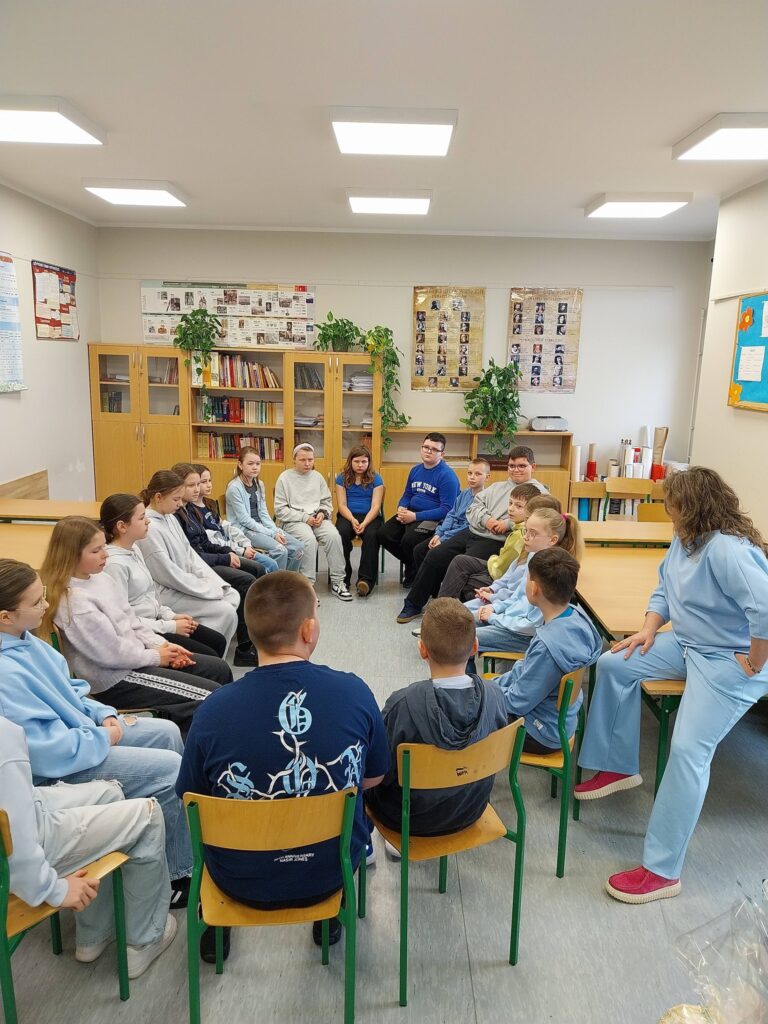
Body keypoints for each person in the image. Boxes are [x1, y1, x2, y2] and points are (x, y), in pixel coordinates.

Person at [574, 468, 768, 904]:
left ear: (692, 506)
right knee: (615, 663)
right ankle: (618, 764)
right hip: (686, 643)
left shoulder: (727, 550)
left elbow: (766, 608)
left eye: (671, 503)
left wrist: (756, 661)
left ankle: (662, 870)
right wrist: (647, 630)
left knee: (687, 751)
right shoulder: (686, 540)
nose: (666, 509)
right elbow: (664, 588)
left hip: (728, 659)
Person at [176, 572, 389, 961]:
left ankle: (216, 924)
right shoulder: (354, 692)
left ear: (250, 631)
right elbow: (373, 777)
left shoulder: (212, 710)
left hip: (237, 876)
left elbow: (191, 800)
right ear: (309, 630)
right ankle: (329, 915)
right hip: (330, 871)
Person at [0, 559, 192, 905]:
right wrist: (102, 737)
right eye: (37, 601)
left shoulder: (28, 641)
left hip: (84, 736)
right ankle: (176, 874)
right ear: (5, 616)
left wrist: (103, 714)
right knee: (168, 770)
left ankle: (176, 846)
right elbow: (44, 752)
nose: (47, 604)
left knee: (165, 732)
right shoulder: (6, 675)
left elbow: (72, 691)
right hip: (58, 767)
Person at [0, 715, 176, 978]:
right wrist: (55, 890)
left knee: (110, 792)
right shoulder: (4, 737)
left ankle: (95, 933)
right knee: (149, 817)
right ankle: (145, 940)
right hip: (24, 849)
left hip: (30, 808)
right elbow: (18, 846)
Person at [40, 517, 227, 733]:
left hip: (136, 659)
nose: (105, 554)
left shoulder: (101, 579)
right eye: (96, 550)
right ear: (71, 555)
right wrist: (157, 657)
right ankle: (193, 746)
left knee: (218, 669)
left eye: (104, 547)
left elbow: (132, 621)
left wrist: (162, 646)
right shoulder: (75, 602)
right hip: (115, 679)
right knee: (211, 698)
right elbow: (111, 654)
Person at [366, 598, 507, 841]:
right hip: (470, 808)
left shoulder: (402, 704)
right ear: (475, 647)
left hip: (407, 818)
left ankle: (375, 845)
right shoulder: (495, 695)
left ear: (422, 649)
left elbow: (379, 770)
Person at [394, 447, 550, 613]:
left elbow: (539, 520)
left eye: (522, 466)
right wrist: (486, 520)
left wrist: (508, 524)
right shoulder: (497, 487)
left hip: (495, 540)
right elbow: (473, 507)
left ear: (533, 467)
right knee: (433, 555)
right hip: (472, 531)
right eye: (512, 466)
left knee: (459, 565)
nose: (516, 470)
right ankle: (413, 604)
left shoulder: (540, 493)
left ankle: (446, 610)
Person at [492, 549, 601, 753]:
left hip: (540, 731)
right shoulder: (576, 616)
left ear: (534, 588)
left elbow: (517, 702)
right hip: (559, 719)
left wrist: (486, 697)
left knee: (465, 717)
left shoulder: (547, 647)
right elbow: (526, 672)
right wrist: (493, 686)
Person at [101, 493, 230, 660]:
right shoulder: (114, 565)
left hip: (158, 620)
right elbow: (124, 619)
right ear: (122, 526)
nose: (148, 521)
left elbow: (152, 595)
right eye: (141, 518)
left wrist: (170, 615)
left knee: (217, 641)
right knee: (210, 656)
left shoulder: (134, 549)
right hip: (144, 632)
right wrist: (170, 626)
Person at [468, 508, 584, 670]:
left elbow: (530, 626)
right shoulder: (533, 556)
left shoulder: (551, 572)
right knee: (460, 623)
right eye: (526, 531)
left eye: (533, 533)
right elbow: (518, 596)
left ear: (552, 539)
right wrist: (496, 608)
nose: (526, 537)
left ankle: (469, 685)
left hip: (523, 635)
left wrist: (494, 617)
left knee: (460, 639)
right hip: (511, 621)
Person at [136, 470, 240, 648]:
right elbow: (169, 574)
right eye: (176, 499)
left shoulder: (170, 518)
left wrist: (212, 583)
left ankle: (209, 647)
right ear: (158, 497)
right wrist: (205, 590)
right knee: (225, 611)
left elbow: (191, 556)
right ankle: (205, 651)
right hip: (169, 592)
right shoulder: (150, 528)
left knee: (232, 595)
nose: (180, 504)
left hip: (187, 583)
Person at [172, 463, 261, 666]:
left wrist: (227, 551)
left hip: (208, 559)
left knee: (257, 568)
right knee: (246, 580)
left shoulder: (190, 510)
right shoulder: (177, 515)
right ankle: (244, 647)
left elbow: (205, 542)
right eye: (192, 485)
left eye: (198, 484)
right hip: (200, 567)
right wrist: (224, 558)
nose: (197, 489)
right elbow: (194, 556)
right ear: (178, 487)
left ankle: (256, 630)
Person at [396, 458, 491, 623]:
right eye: (470, 473)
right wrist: (439, 534)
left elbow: (469, 525)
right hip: (447, 532)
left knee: (432, 554)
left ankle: (414, 603)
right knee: (419, 550)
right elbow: (451, 515)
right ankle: (432, 590)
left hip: (464, 535)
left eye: (478, 474)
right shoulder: (464, 494)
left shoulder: (486, 499)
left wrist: (445, 538)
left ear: (487, 477)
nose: (472, 477)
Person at [379, 433, 460, 587]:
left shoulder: (447, 476)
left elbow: (447, 509)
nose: (428, 451)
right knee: (383, 534)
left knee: (409, 540)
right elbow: (407, 494)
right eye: (426, 447)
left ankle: (415, 572)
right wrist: (401, 507)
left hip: (433, 518)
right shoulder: (415, 470)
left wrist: (415, 516)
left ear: (442, 454)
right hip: (410, 512)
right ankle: (414, 566)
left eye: (434, 449)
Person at [438, 484, 545, 601]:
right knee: (460, 561)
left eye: (519, 506)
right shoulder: (517, 527)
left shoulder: (520, 535)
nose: (511, 508)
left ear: (531, 511)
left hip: (500, 576)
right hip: (497, 567)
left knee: (462, 578)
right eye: (510, 503)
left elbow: (501, 571)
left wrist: (492, 560)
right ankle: (444, 606)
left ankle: (444, 608)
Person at [274, 444, 351, 601]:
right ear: (294, 459)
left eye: (310, 460)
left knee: (333, 536)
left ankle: (338, 582)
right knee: (309, 541)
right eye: (303, 460)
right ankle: (307, 586)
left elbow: (326, 502)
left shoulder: (317, 477)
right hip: (294, 520)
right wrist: (304, 518)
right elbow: (280, 510)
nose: (307, 463)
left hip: (316, 518)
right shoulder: (284, 478)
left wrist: (322, 513)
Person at [225, 446, 304, 571]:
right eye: (250, 464)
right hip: (245, 530)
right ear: (240, 465)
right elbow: (244, 520)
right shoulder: (234, 488)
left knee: (298, 548)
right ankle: (275, 583)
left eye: (258, 464)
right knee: (280, 550)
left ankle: (287, 580)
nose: (255, 467)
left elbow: (263, 513)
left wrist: (275, 531)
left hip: (262, 527)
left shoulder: (259, 484)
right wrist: (272, 534)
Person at [193, 463, 280, 575]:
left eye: (210, 481)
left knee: (271, 563)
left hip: (235, 546)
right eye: (204, 482)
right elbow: (213, 540)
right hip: (225, 551)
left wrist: (245, 544)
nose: (209, 485)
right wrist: (241, 551)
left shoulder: (210, 504)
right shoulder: (193, 511)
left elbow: (227, 527)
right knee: (266, 566)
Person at [334, 445, 384, 596]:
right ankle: (343, 578)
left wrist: (364, 523)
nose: (360, 465)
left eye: (364, 461)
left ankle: (365, 580)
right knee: (340, 533)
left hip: (370, 516)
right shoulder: (342, 478)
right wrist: (352, 519)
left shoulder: (376, 478)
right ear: (350, 461)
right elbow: (342, 505)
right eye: (356, 461)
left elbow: (376, 506)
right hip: (348, 515)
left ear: (369, 462)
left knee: (372, 536)